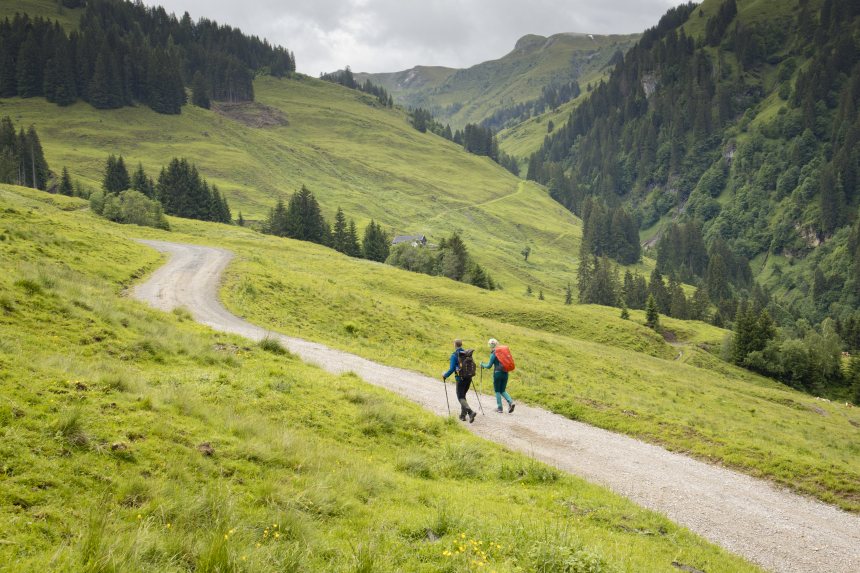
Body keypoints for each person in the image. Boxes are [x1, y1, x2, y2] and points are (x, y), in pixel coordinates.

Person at [442, 339, 477, 423]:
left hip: (460, 378)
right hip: (468, 378)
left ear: (455, 345)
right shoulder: (467, 353)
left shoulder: (454, 355)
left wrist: (445, 375)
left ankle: (470, 412)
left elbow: (452, 369)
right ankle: (462, 416)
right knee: (463, 396)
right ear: (461, 345)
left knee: (460, 396)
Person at [481, 338, 515, 413]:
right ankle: (511, 402)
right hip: (505, 373)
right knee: (502, 390)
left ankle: (499, 408)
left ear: (490, 345)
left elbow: (489, 366)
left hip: (497, 374)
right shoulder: (503, 352)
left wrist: (482, 364)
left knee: (497, 391)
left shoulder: (494, 353)